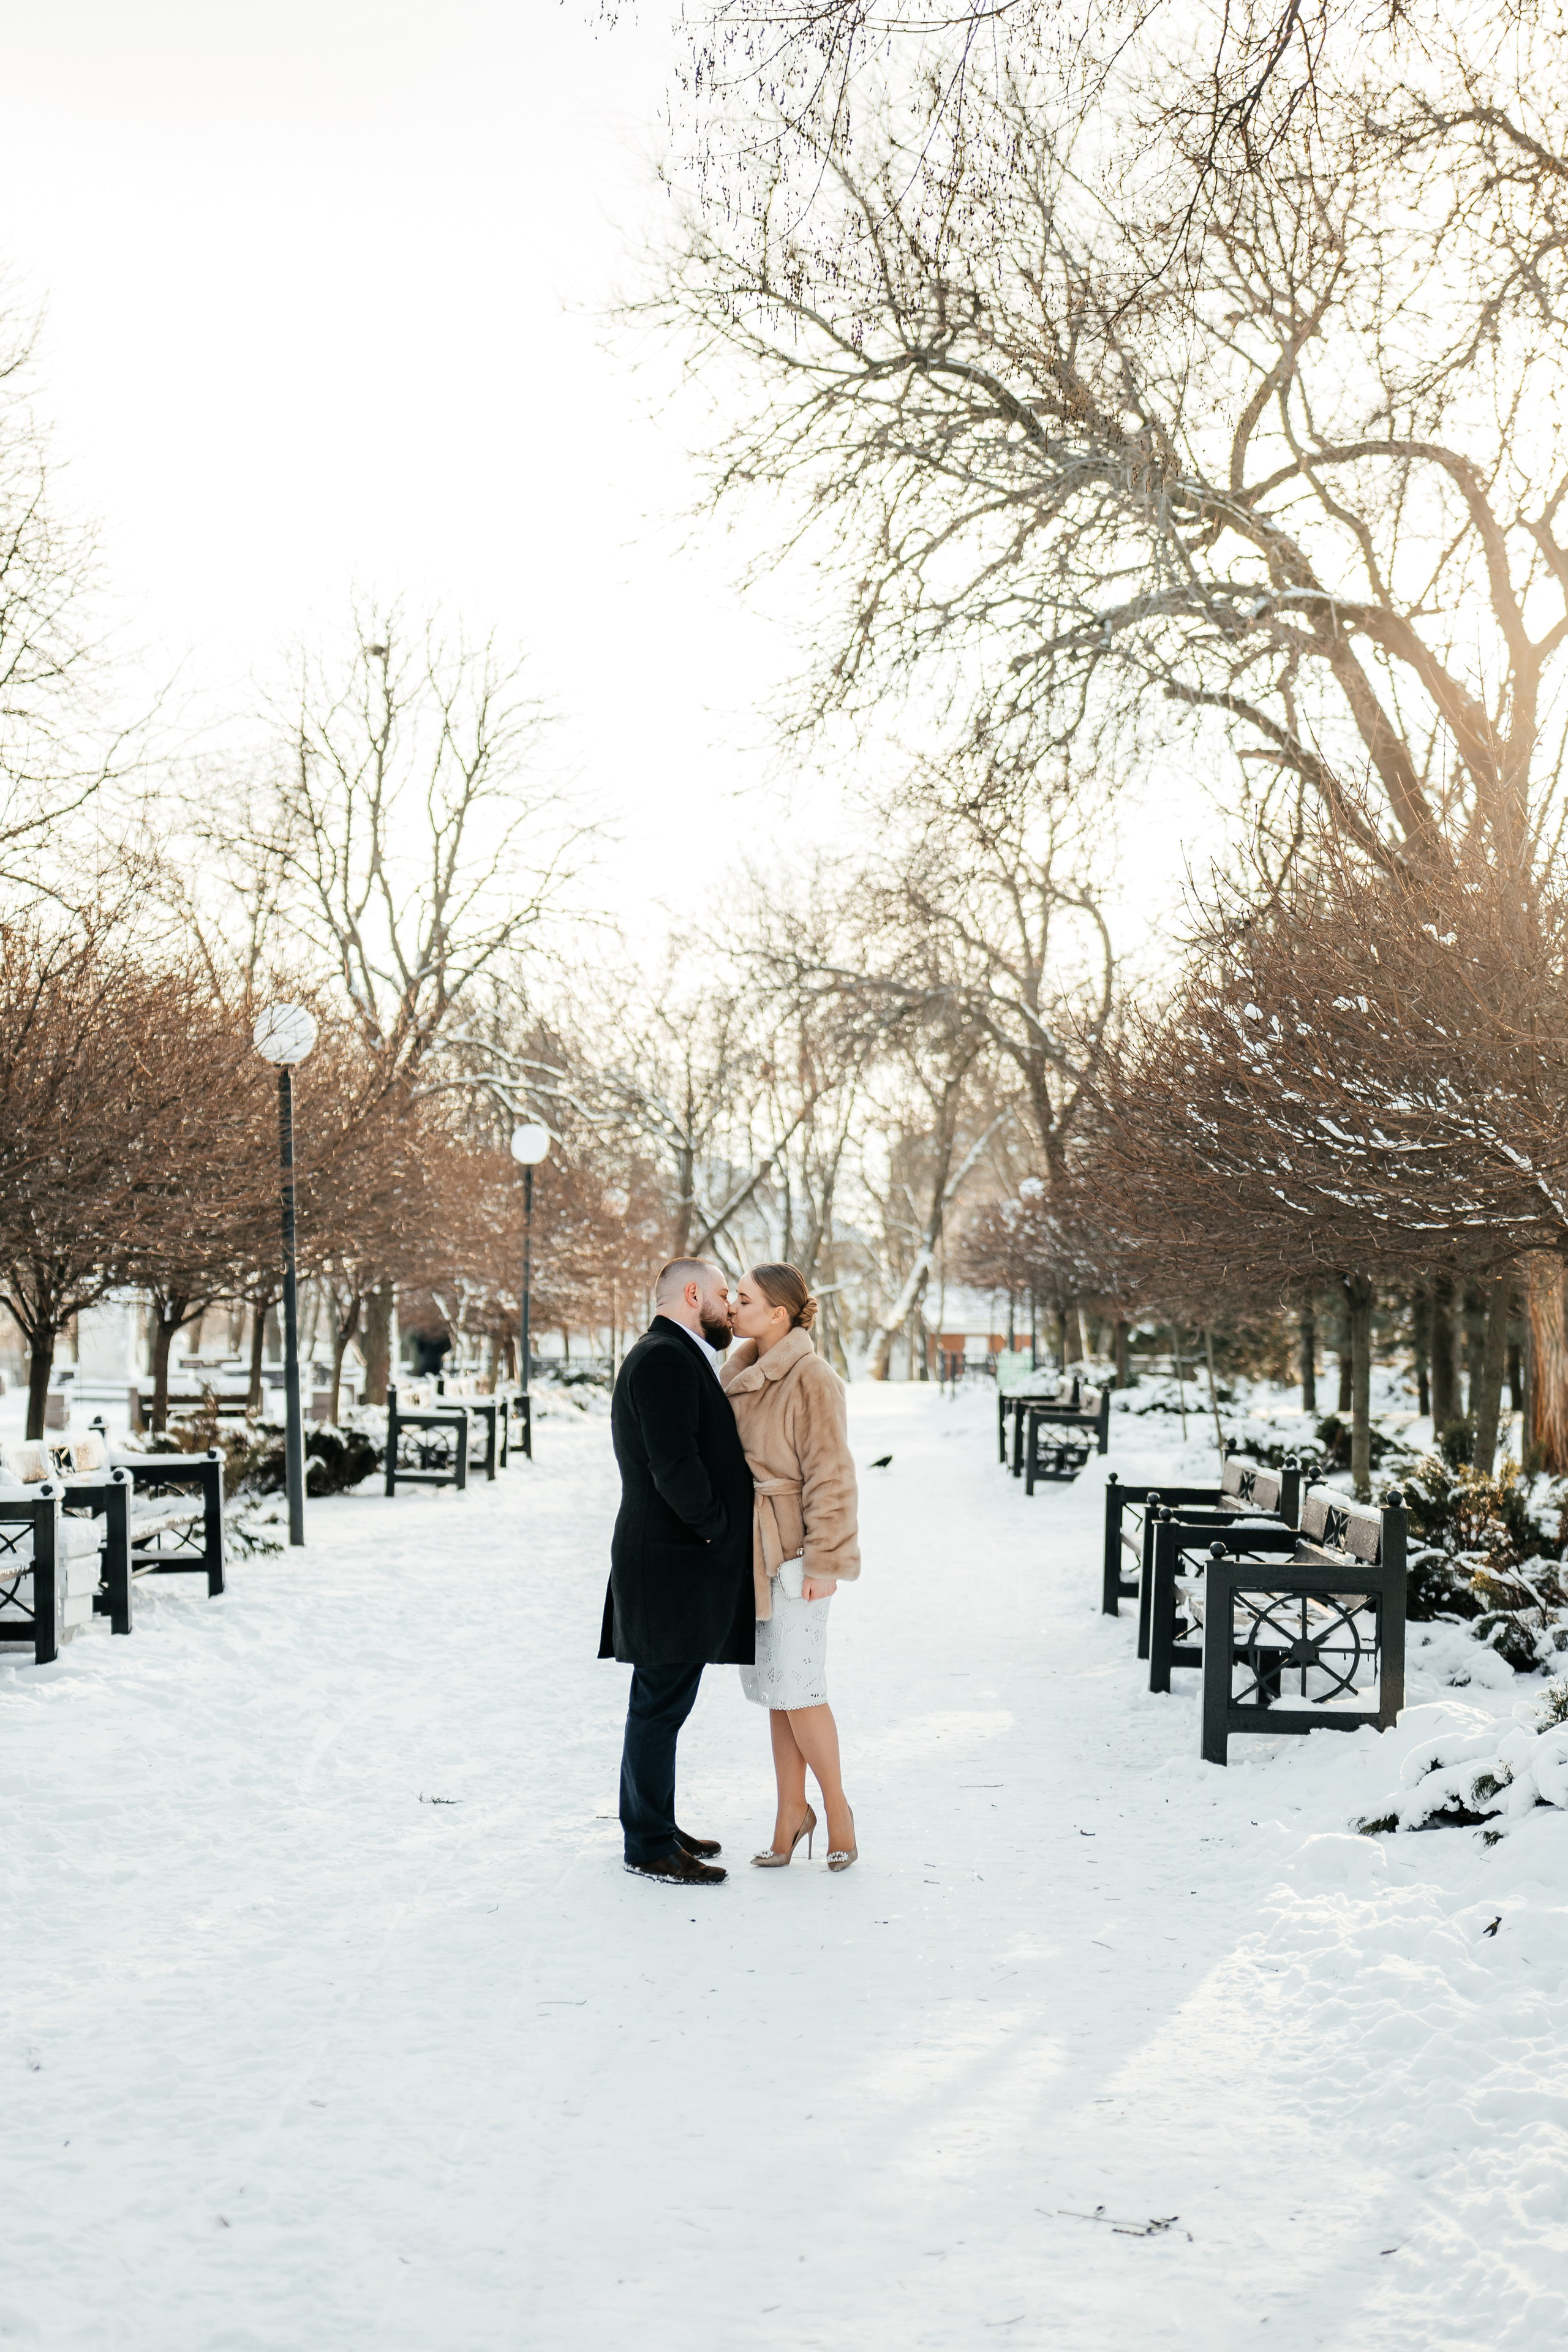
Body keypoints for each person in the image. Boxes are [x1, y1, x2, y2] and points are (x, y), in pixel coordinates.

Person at [598, 1257, 756, 1887]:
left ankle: (654, 1822)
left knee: (662, 1701)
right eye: (723, 1295)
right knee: (659, 1704)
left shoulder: (674, 1352)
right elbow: (674, 1465)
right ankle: (648, 1843)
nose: (729, 1307)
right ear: (693, 1295)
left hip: (670, 1557)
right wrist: (717, 1526)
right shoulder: (663, 1357)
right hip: (669, 1559)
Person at [723, 1264, 861, 1871]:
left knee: (802, 1690)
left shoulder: (813, 1378)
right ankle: (789, 1812)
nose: (732, 1308)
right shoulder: (738, 1371)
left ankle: (837, 1810)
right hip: (749, 1552)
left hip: (796, 1555)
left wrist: (825, 1559)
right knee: (778, 1693)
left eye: (745, 1300)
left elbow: (832, 1475)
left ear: (778, 1313)